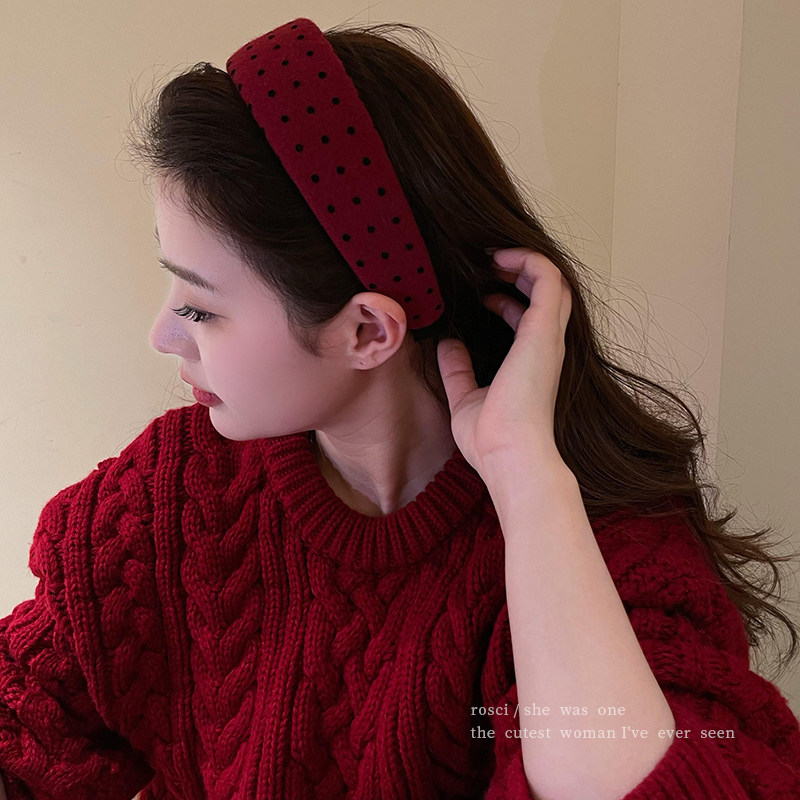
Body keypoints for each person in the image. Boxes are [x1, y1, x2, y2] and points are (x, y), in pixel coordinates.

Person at [1, 15, 799, 800]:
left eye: (200, 307)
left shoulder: (603, 551)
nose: (163, 335)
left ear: (367, 331)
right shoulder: (173, 492)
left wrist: (526, 481)